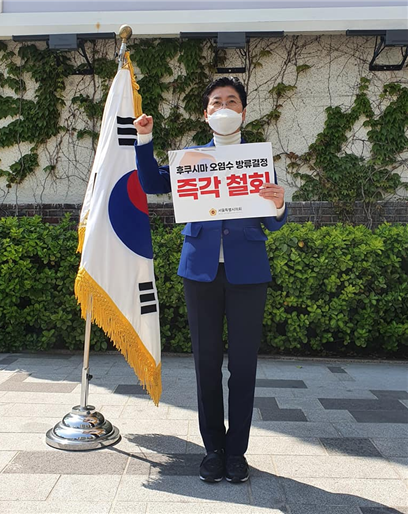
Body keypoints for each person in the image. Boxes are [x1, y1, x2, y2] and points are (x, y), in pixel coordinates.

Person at [134, 77, 287, 483]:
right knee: (206, 363)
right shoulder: (192, 158)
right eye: (216, 101)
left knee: (243, 365)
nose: (224, 107)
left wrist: (279, 204)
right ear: (206, 114)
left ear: (243, 112)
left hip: (248, 272)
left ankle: (237, 452)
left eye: (231, 101)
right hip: (200, 271)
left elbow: (274, 221)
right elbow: (151, 183)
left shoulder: (257, 159)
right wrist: (144, 139)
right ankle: (213, 450)